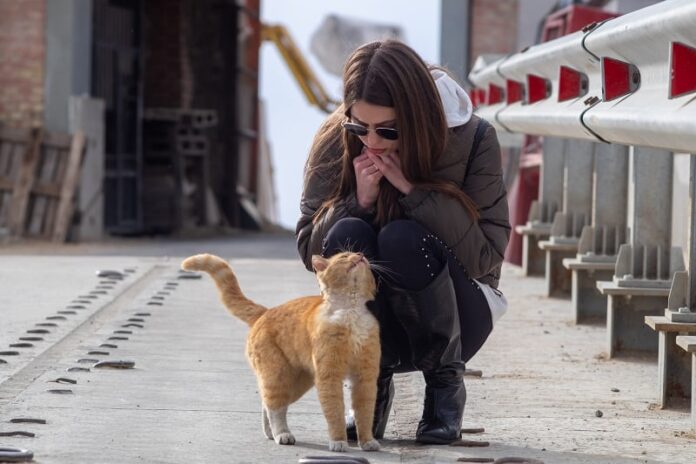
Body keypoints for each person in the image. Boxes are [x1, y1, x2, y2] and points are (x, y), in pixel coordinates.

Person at [295, 40, 510, 444]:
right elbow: (311, 251)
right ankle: (369, 392)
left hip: (459, 321)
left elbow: (486, 257)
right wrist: (358, 202)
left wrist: (413, 191)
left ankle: (445, 393)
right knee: (347, 236)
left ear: (417, 116)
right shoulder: (334, 138)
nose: (372, 142)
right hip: (373, 329)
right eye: (360, 127)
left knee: (403, 238)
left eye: (388, 130)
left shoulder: (473, 138)